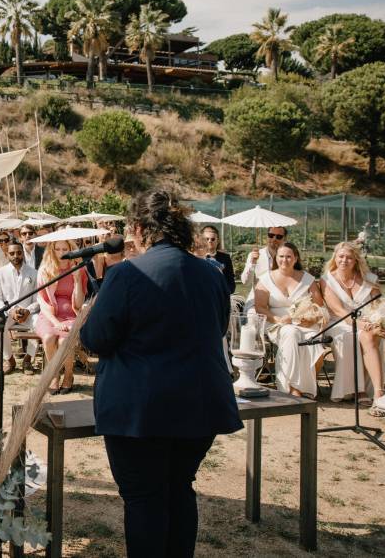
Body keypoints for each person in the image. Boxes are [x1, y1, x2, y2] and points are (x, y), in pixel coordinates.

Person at [80, 190, 242, 558]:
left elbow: (96, 339)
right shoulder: (212, 274)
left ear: (138, 228)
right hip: (200, 406)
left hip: (141, 412)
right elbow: (217, 329)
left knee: (145, 500)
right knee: (179, 488)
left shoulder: (125, 274)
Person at [253, 242, 326, 397]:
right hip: (275, 323)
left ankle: (304, 387)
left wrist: (310, 319)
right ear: (275, 258)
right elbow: (260, 307)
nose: (284, 260)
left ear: (295, 258)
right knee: (290, 333)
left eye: (288, 256)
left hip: (304, 322)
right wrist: (277, 319)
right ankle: (289, 388)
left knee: (312, 339)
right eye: (281, 256)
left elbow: (319, 306)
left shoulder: (307, 279)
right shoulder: (265, 279)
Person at [320, 242, 385, 404]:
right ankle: (358, 390)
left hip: (367, 322)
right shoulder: (327, 279)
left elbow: (379, 306)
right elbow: (337, 310)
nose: (344, 260)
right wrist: (358, 324)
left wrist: (377, 322)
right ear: (335, 258)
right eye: (341, 256)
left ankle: (378, 392)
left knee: (370, 337)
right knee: (353, 336)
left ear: (356, 260)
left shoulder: (370, 279)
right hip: (339, 322)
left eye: (349, 257)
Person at [35, 238, 86, 394]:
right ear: (52, 249)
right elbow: (42, 301)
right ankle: (54, 375)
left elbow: (78, 303)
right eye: (58, 249)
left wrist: (77, 279)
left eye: (65, 249)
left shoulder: (79, 269)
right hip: (49, 316)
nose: (62, 253)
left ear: (71, 249)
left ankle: (69, 375)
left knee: (65, 340)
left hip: (72, 315)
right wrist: (55, 321)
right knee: (49, 338)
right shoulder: (45, 270)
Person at [0, 241, 41, 375]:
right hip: (8, 312)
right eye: (12, 253)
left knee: (39, 324)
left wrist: (28, 310)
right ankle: (9, 360)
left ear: (23, 253)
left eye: (19, 252)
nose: (16, 256)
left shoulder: (34, 273)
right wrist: (10, 311)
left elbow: (38, 299)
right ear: (7, 255)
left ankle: (28, 359)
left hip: (28, 312)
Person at [241, 226, 287, 305]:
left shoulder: (287, 258)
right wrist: (253, 263)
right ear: (267, 236)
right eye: (271, 235)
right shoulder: (255, 255)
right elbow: (246, 283)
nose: (274, 239)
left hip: (280, 301)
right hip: (256, 300)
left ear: (285, 239)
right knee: (253, 317)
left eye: (279, 237)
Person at [199, 226, 235, 295]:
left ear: (218, 241)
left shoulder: (226, 258)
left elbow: (231, 282)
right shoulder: (197, 257)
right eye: (207, 239)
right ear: (202, 240)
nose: (210, 241)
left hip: (221, 296)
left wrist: (225, 293)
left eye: (213, 239)